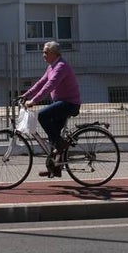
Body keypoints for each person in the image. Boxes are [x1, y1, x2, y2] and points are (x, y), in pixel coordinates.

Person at [21, 40, 82, 177]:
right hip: (61, 103)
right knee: (52, 137)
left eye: (45, 52)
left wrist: (33, 101)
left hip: (70, 104)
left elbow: (50, 86)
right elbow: (40, 83)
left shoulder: (61, 66)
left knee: (42, 116)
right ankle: (55, 168)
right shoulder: (51, 66)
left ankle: (61, 145)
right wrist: (25, 95)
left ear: (54, 53)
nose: (43, 55)